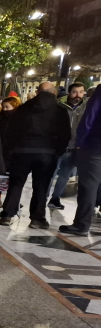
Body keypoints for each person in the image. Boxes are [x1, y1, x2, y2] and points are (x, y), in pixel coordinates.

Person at [0, 82, 71, 229]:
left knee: (16, 184)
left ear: (37, 92)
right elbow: (65, 134)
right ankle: (37, 219)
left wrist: (12, 149)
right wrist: (58, 152)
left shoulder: (23, 108)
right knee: (41, 186)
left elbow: (11, 131)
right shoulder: (59, 110)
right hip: (46, 153)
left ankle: (7, 215)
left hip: (21, 152)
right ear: (54, 93)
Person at [60, 84, 101, 236]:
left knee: (89, 186)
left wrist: (80, 142)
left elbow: (90, 117)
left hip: (95, 146)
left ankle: (82, 224)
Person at [47, 82, 88, 210]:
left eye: (81, 92)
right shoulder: (59, 105)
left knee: (65, 175)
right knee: (50, 174)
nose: (78, 95)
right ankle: (43, 197)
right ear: (69, 93)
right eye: (75, 92)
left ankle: (55, 198)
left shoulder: (86, 107)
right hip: (58, 147)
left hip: (75, 147)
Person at [0, 96, 21, 171]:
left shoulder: (18, 120)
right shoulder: (1, 119)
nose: (4, 109)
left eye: (7, 107)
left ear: (14, 106)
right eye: (3, 107)